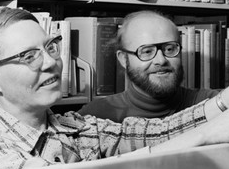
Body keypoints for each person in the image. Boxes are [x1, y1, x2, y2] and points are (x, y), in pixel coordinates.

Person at [0, 7, 229, 169]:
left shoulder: (78, 128)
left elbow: (162, 131)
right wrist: (206, 137)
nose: (50, 63)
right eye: (28, 56)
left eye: (50, 47)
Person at [78, 10, 219, 122]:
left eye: (169, 49)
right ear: (123, 59)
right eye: (146, 51)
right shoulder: (95, 117)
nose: (161, 60)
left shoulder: (214, 103)